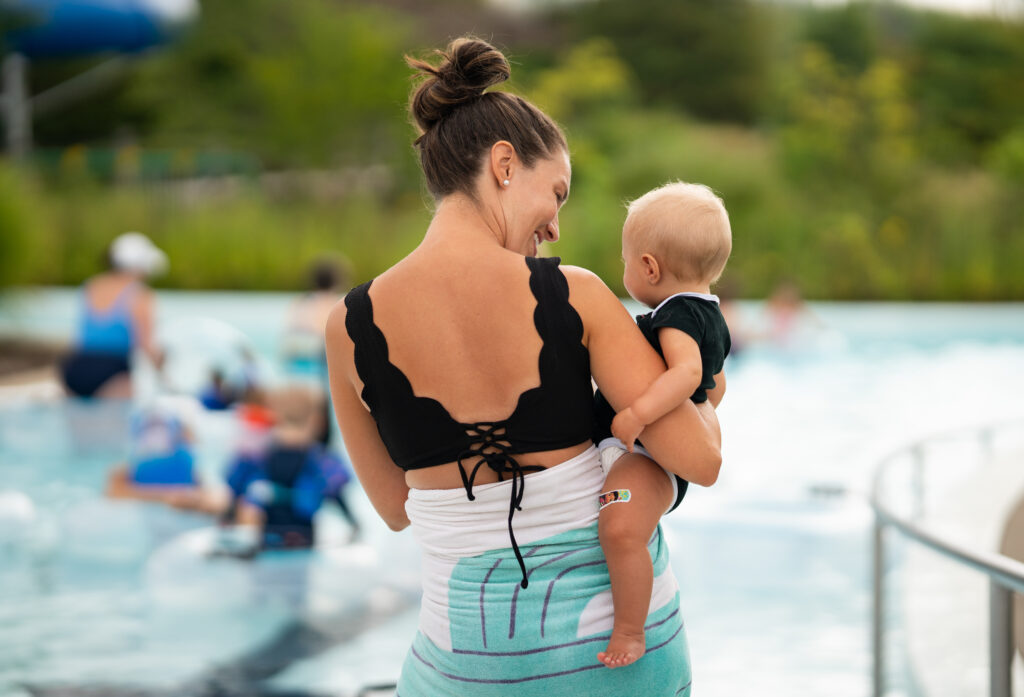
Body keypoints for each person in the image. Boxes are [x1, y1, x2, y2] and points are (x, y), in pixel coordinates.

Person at [324, 37, 721, 695]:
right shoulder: (575, 293)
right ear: (505, 163)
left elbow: (397, 508)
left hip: (460, 668)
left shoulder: (348, 326)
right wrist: (705, 383)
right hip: (613, 663)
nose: (556, 226)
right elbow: (698, 461)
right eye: (556, 193)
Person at [592, 181, 732, 668]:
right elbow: (715, 387)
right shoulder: (710, 314)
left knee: (619, 527)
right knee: (620, 526)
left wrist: (638, 412)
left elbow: (689, 374)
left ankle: (630, 629)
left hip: (648, 458)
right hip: (650, 454)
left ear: (649, 266)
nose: (625, 269)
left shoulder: (673, 316)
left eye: (626, 260)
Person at [220, 384, 330, 552]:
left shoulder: (259, 454)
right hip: (301, 537)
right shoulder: (319, 459)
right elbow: (325, 496)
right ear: (317, 421)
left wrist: (228, 516)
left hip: (271, 535)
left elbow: (235, 487)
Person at [60, 232, 166, 399]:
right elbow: (146, 345)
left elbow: (82, 337)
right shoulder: (141, 295)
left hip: (75, 368)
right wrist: (165, 375)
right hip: (113, 373)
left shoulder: (91, 285)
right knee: (118, 424)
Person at [282, 256, 350, 445]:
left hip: (294, 374)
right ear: (337, 281)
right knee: (320, 435)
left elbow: (287, 343)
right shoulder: (335, 306)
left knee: (296, 428)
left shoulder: (299, 304)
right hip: (317, 377)